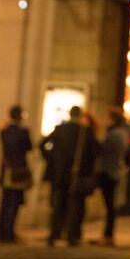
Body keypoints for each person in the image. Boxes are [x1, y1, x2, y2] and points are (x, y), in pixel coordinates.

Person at [42, 105, 101, 247]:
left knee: (58, 204)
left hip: (59, 174)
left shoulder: (60, 129)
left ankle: (55, 233)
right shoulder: (85, 132)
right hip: (78, 174)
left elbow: (43, 144)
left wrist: (51, 159)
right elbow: (96, 151)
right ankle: (72, 236)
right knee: (76, 205)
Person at [91, 107, 130, 247]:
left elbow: (103, 150)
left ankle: (108, 236)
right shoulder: (122, 133)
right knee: (110, 205)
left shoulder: (114, 134)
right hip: (113, 171)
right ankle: (107, 235)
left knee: (109, 206)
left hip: (108, 172)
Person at [0, 104, 33, 244]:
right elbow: (29, 147)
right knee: (14, 202)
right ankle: (9, 233)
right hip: (18, 170)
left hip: (6, 170)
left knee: (5, 202)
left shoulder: (4, 131)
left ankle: (1, 231)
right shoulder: (23, 131)